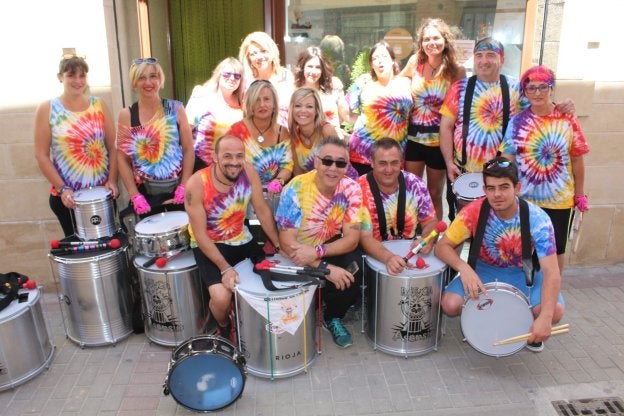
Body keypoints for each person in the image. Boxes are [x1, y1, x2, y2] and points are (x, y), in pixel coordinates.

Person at [435, 156, 564, 352]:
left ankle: (530, 328)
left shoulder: (538, 219)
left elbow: (552, 272)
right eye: (491, 188)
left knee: (553, 312)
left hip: (522, 273)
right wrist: (464, 268)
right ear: (485, 190)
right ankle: (486, 322)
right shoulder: (473, 212)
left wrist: (545, 319)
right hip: (484, 271)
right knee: (450, 305)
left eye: (504, 187)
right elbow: (442, 246)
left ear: (517, 188)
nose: (497, 194)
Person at [439, 37, 574, 220]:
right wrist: (449, 163)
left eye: (490, 55)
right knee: (462, 227)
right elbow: (446, 127)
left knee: (497, 229)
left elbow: (540, 110)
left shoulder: (516, 88)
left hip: (502, 177)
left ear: (502, 60)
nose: (484, 60)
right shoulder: (459, 88)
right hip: (465, 173)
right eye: (479, 55)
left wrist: (561, 106)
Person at [184, 134, 281, 340]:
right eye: (227, 156)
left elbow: (262, 211)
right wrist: (225, 268)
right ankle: (224, 325)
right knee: (221, 298)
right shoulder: (197, 184)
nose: (234, 162)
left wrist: (280, 244)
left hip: (241, 238)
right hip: (211, 244)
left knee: (273, 283)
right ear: (215, 157)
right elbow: (200, 235)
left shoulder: (249, 172)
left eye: (239, 156)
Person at [275, 136, 364, 348]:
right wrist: (326, 268)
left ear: (347, 166)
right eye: (327, 161)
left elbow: (351, 240)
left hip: (320, 247)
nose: (333, 168)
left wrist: (317, 252)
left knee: (355, 267)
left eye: (340, 163)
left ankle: (332, 316)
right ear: (316, 162)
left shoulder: (352, 189)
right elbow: (286, 243)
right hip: (294, 252)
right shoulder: (296, 188)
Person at [500, 66, 590, 273]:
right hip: (526, 200)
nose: (538, 93)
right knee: (525, 250)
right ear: (525, 91)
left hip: (560, 201)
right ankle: (527, 291)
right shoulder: (517, 122)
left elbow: (577, 159)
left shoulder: (568, 119)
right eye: (531, 88)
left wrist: (579, 195)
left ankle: (553, 294)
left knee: (556, 250)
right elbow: (507, 158)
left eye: (543, 87)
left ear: (552, 89)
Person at [34, 54, 118, 237]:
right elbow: (41, 155)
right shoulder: (48, 109)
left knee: (107, 250)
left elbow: (113, 146)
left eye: (82, 75)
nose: (78, 80)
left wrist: (112, 180)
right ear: (60, 77)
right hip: (68, 200)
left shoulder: (99, 105)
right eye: (71, 75)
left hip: (101, 196)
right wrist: (63, 189)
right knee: (80, 255)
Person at [400, 18, 466, 221]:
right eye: (426, 39)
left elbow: (463, 106)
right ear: (421, 43)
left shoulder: (456, 70)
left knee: (434, 193)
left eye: (436, 38)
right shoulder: (415, 63)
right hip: (413, 139)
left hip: (440, 142)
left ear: (445, 40)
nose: (431, 43)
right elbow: (400, 81)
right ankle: (411, 232)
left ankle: (433, 237)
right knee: (411, 190)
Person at [116, 57, 194, 217]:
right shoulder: (127, 115)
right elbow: (122, 158)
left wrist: (184, 185)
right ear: (134, 83)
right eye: (141, 78)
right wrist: (134, 195)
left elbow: (188, 149)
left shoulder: (176, 109)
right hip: (146, 195)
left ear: (160, 79)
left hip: (177, 192)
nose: (148, 82)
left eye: (153, 76)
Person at [358, 138, 438, 275]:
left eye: (394, 163)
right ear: (371, 162)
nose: (389, 169)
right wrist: (389, 258)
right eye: (382, 163)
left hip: (409, 254)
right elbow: (364, 237)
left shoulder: (415, 184)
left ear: (401, 162)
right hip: (373, 257)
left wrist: (427, 238)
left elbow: (431, 221)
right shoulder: (358, 189)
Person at [347, 41, 413, 175]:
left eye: (383, 56)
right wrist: (355, 121)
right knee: (363, 193)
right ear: (371, 64)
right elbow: (345, 106)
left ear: (392, 60)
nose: (379, 61)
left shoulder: (406, 83)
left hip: (394, 155)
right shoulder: (364, 83)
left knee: (390, 195)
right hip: (364, 152)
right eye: (375, 58)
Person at [227, 80, 292, 194]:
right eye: (257, 100)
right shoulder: (236, 130)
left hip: (272, 195)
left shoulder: (282, 132)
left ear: (274, 104)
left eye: (266, 99)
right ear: (250, 104)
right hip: (240, 194)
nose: (262, 104)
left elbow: (288, 165)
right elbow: (225, 163)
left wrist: (278, 180)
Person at [185, 57, 244, 170]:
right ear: (218, 75)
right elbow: (186, 129)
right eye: (227, 74)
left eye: (237, 76)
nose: (232, 78)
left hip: (231, 167)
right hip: (200, 165)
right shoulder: (202, 96)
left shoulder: (243, 104)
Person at [287, 87, 357, 179]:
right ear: (292, 109)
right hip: (311, 186)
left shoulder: (326, 131)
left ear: (316, 110)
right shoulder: (293, 135)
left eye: (309, 106)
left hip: (341, 181)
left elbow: (341, 165)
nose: (303, 110)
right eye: (298, 106)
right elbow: (298, 173)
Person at [238, 31, 294, 126]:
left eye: (263, 51)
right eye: (253, 54)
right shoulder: (245, 81)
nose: (259, 57)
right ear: (249, 59)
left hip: (285, 135)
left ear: (272, 52)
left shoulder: (287, 76)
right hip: (255, 134)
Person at [293, 46, 350, 136]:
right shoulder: (294, 90)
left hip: (332, 143)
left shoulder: (333, 87)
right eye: (310, 66)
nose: (313, 71)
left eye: (318, 67)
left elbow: (347, 115)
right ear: (302, 67)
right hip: (304, 144)